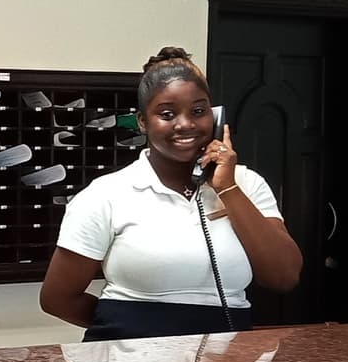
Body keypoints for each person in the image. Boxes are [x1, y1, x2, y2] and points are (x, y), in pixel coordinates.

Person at [39, 46, 301, 341]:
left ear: (214, 118)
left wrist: (228, 188)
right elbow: (57, 298)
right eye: (167, 114)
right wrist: (127, 328)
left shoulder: (247, 184)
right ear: (142, 121)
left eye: (198, 111)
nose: (186, 124)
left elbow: (284, 276)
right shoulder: (106, 195)